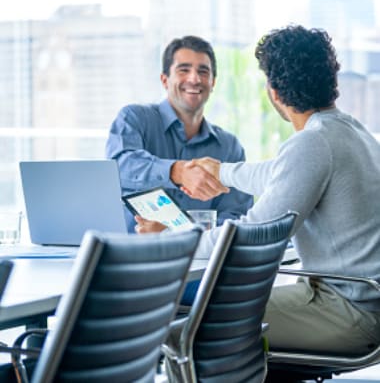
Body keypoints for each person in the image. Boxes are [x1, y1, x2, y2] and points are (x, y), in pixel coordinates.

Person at [136, 25, 380, 357]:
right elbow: (278, 174)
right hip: (358, 300)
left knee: (185, 327)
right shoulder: (350, 131)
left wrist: (168, 239)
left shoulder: (313, 142)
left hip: (346, 311)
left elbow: (253, 237)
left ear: (274, 92)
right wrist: (220, 171)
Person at [106, 35, 253, 233]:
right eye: (184, 70)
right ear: (165, 80)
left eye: (203, 71)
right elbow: (119, 167)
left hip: (199, 259)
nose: (194, 79)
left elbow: (236, 216)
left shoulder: (229, 147)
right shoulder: (134, 118)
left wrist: (181, 234)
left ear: (213, 82)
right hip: (133, 255)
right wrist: (177, 172)